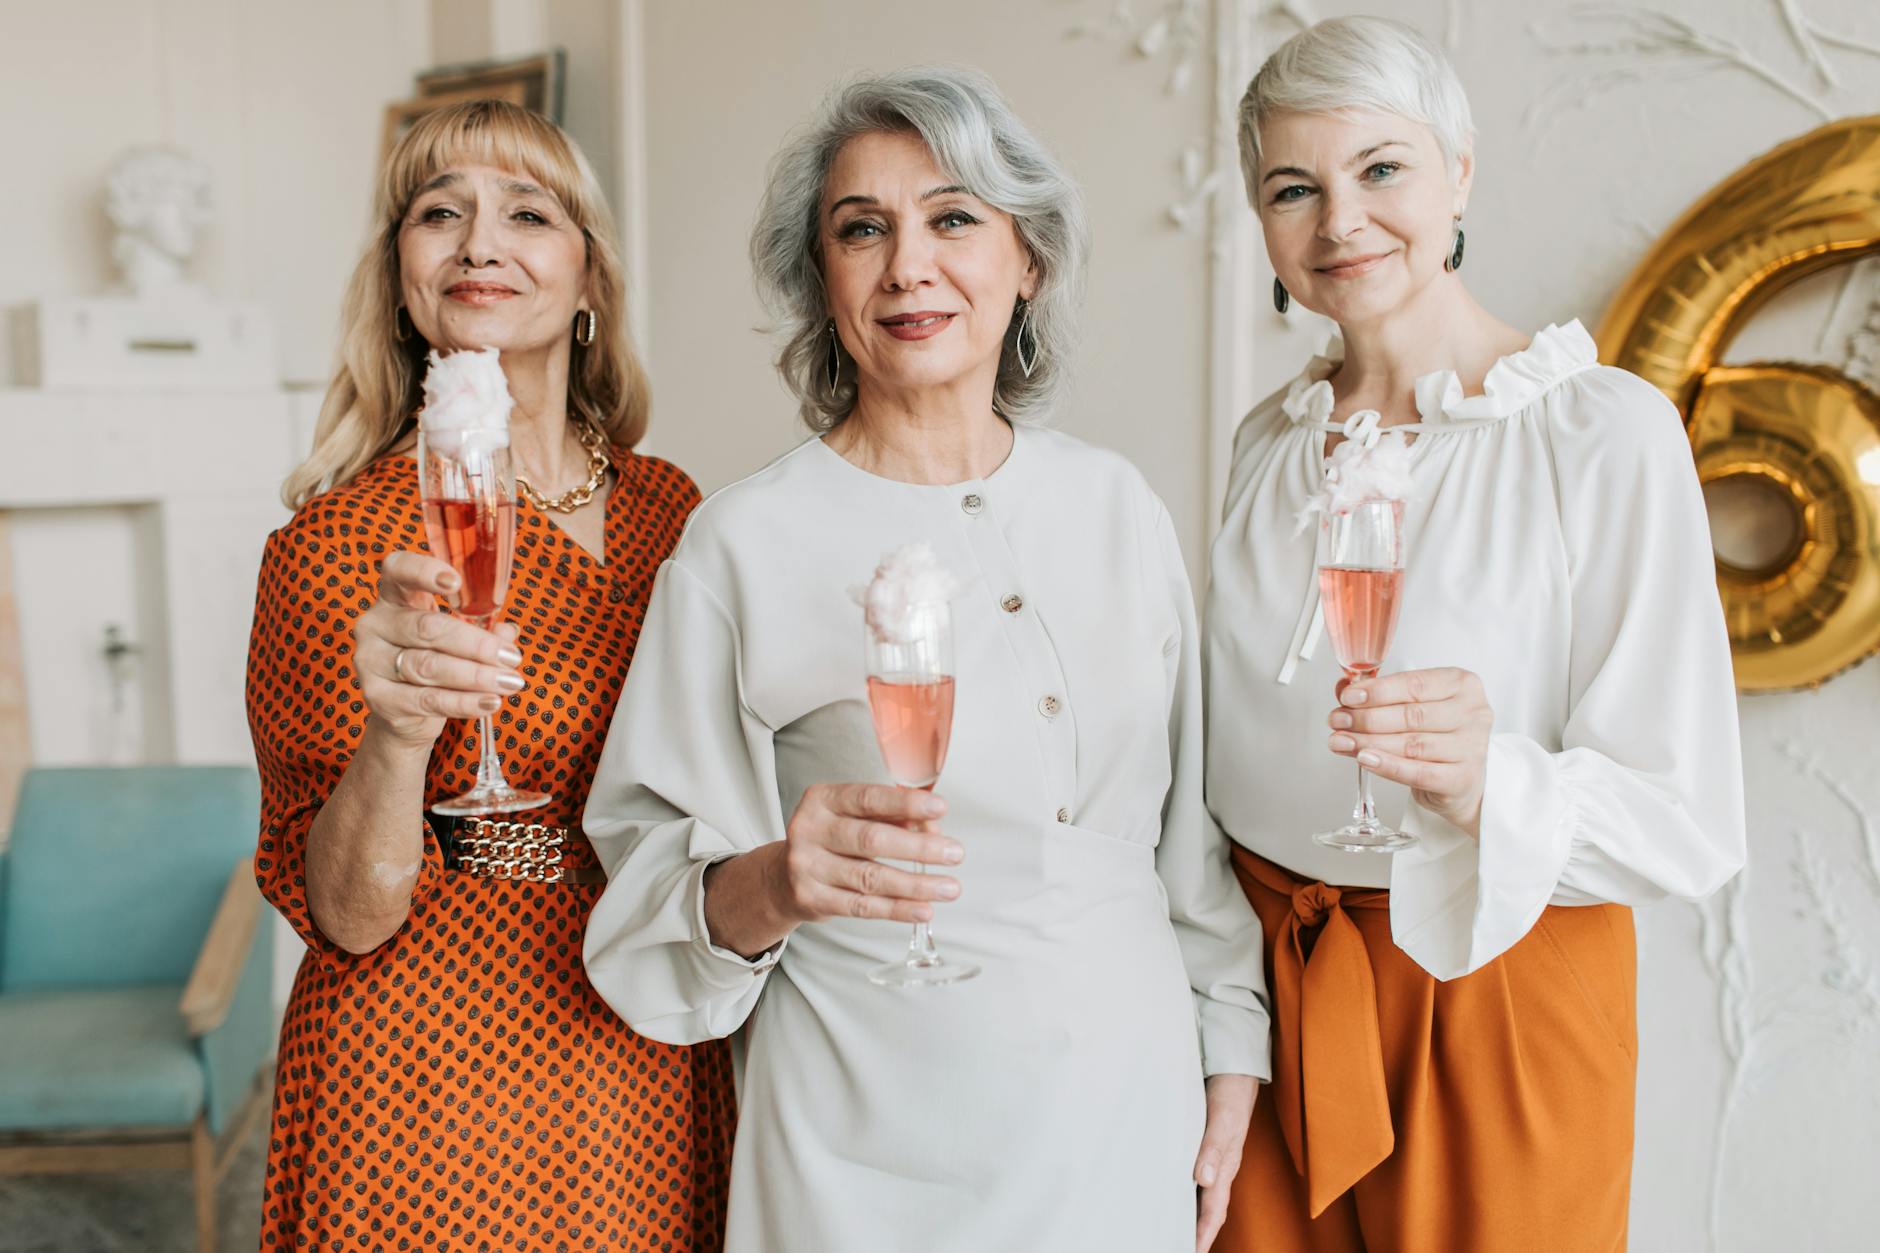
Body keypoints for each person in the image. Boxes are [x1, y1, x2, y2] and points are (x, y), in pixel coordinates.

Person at [582, 67, 1269, 1253]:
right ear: (822, 282)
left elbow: (1185, 848)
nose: (908, 265)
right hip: (862, 1134)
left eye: (953, 218)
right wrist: (782, 880)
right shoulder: (740, 541)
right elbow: (645, 899)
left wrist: (1230, 1052)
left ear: (1027, 261)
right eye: (862, 230)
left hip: (1116, 1104)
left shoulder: (1116, 505)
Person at [1205, 17, 1745, 1252]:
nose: (1339, 220)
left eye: (1380, 169)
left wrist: (1481, 779)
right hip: (1274, 993)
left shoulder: (1599, 434)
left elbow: (1687, 814)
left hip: (1497, 1000)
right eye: (1294, 188)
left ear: (1459, 172)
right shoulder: (1264, 445)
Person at [247, 99, 732, 1252]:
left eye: (528, 210)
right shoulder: (334, 547)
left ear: (590, 280)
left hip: (644, 1040)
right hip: (426, 1067)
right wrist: (399, 734)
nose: (478, 241)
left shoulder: (681, 513)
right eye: (436, 213)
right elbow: (348, 916)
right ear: (401, 277)